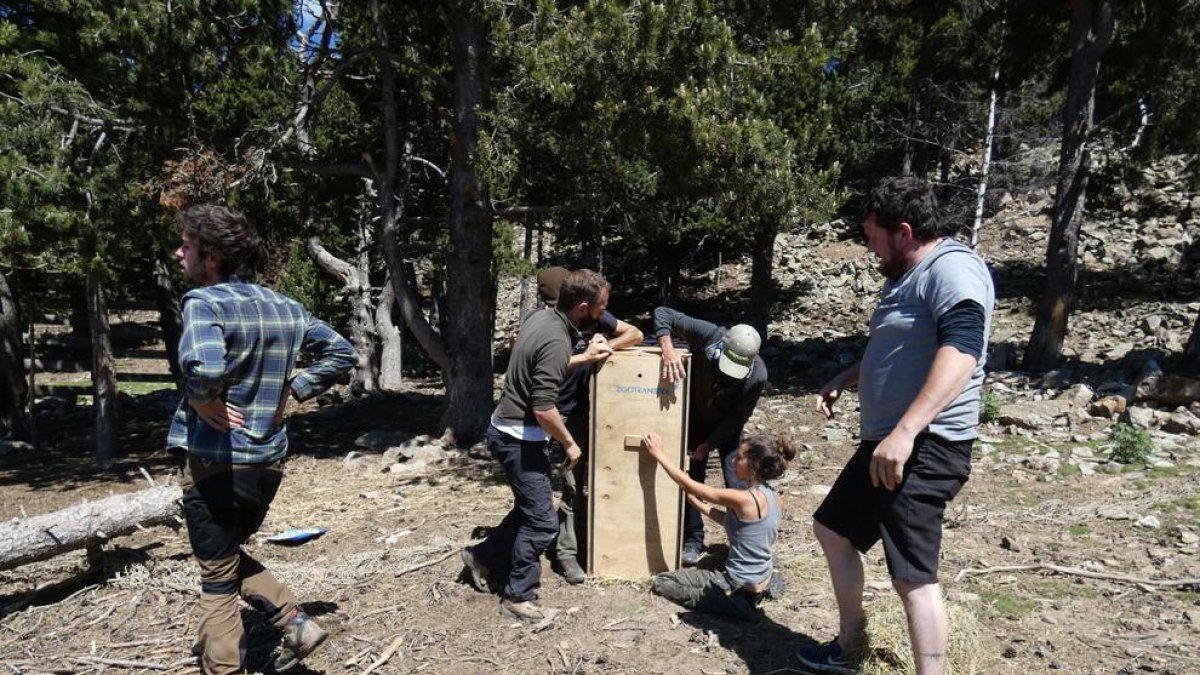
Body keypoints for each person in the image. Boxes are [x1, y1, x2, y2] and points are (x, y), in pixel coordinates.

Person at [798, 177, 994, 675]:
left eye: (873, 238)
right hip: (888, 444)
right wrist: (848, 377)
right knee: (833, 530)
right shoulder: (904, 278)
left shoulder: (951, 268)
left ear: (904, 232)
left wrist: (907, 432)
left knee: (913, 578)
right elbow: (900, 349)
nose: (870, 250)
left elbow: (963, 350)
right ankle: (851, 645)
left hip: (924, 445)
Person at [167, 205, 356, 674]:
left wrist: (203, 399)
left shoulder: (203, 303)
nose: (178, 254)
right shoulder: (285, 306)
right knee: (223, 554)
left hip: (215, 461)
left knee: (216, 575)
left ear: (211, 256)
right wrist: (296, 388)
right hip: (267, 464)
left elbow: (205, 367)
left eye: (186, 246)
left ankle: (226, 666)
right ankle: (295, 622)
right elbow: (341, 351)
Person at [460, 269, 612, 621]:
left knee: (531, 507)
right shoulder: (557, 338)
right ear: (583, 307)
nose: (603, 314)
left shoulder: (542, 319)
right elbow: (544, 409)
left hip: (508, 430)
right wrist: (570, 443)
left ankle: (482, 556)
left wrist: (585, 357)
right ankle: (517, 596)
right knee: (543, 522)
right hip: (519, 438)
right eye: (601, 308)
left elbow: (543, 364)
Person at [533, 270, 643, 584]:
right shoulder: (546, 325)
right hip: (555, 413)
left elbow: (635, 333)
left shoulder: (594, 316)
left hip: (592, 412)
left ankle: (590, 543)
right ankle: (561, 552)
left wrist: (608, 344)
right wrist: (586, 355)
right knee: (561, 484)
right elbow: (541, 366)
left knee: (596, 479)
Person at [653, 307, 767, 566]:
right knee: (693, 479)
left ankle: (745, 544)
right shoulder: (708, 334)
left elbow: (737, 418)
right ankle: (693, 539)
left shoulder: (758, 377)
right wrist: (667, 349)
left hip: (726, 429)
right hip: (694, 419)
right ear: (722, 346)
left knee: (737, 481)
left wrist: (711, 443)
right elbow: (663, 314)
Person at [641, 432, 794, 621]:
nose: (733, 462)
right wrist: (697, 504)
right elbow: (736, 525)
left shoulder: (744, 498)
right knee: (717, 562)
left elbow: (690, 485)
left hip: (735, 586)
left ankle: (739, 607)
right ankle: (763, 589)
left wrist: (659, 453)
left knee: (662, 582)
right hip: (760, 578)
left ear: (753, 465)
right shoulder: (774, 497)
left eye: (739, 458)